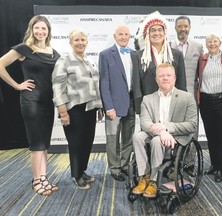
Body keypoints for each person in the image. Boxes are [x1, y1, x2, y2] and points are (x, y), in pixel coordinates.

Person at [0, 15, 60, 196]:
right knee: (36, 144)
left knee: (44, 144)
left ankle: (44, 178)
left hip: (48, 103)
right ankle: (36, 180)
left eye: (44, 28)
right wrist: (17, 85)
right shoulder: (24, 49)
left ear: (48, 31)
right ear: (31, 29)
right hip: (31, 101)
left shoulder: (53, 53)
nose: (40, 31)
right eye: (37, 28)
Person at [132, 63, 197, 198]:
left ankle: (154, 181)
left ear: (174, 78)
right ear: (156, 79)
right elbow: (145, 124)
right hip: (155, 133)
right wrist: (162, 132)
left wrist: (167, 127)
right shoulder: (148, 99)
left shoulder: (187, 97)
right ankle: (144, 176)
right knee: (137, 136)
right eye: (161, 76)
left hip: (177, 138)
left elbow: (192, 125)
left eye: (168, 75)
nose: (165, 78)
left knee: (156, 141)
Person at [52, 28, 102, 190]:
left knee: (87, 141)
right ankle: (76, 175)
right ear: (70, 43)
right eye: (76, 40)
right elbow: (57, 87)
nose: (80, 43)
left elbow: (96, 85)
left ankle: (82, 170)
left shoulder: (90, 61)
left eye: (83, 40)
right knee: (76, 142)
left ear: (87, 42)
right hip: (73, 109)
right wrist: (63, 112)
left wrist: (100, 106)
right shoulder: (63, 61)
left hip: (90, 108)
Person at [99, 25, 139, 181]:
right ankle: (115, 168)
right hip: (114, 105)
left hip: (131, 102)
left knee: (129, 137)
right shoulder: (105, 55)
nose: (123, 37)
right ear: (114, 36)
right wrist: (108, 106)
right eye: (120, 34)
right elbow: (104, 82)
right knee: (113, 138)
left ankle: (125, 165)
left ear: (130, 37)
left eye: (126, 35)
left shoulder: (134, 54)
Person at [134, 11, 186, 114]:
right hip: (148, 107)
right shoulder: (138, 56)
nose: (157, 33)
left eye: (159, 30)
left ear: (164, 33)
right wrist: (139, 108)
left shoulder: (176, 55)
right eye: (153, 30)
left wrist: (181, 105)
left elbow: (181, 83)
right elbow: (137, 85)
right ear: (147, 34)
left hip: (172, 106)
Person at [197, 33, 222, 182]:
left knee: (221, 136)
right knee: (210, 135)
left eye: (215, 41)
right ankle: (213, 164)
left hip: (221, 100)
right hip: (205, 100)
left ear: (220, 42)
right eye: (209, 42)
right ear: (206, 44)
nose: (212, 44)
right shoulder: (202, 59)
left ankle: (220, 168)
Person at [171, 16, 203, 140]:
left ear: (189, 28)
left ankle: (190, 159)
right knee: (174, 128)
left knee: (192, 128)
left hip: (192, 95)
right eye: (180, 26)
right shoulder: (168, 46)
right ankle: (175, 159)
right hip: (173, 95)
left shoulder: (198, 47)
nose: (182, 29)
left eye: (185, 26)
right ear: (175, 28)